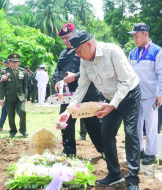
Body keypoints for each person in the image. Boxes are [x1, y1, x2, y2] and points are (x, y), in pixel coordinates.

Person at [58, 30, 141, 190]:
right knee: (106, 132)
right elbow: (82, 87)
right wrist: (68, 110)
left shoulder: (112, 51)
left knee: (130, 133)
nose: (78, 56)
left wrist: (113, 105)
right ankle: (115, 174)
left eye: (79, 52)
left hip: (129, 95)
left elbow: (125, 82)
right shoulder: (85, 61)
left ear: (89, 44)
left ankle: (132, 179)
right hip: (110, 98)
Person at [54, 23, 103, 155]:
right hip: (67, 95)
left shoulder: (86, 48)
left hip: (87, 93)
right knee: (66, 123)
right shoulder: (63, 53)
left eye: (67, 37)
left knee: (93, 124)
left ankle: (104, 150)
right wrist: (57, 81)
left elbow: (93, 69)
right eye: (63, 39)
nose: (65, 41)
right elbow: (57, 70)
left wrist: (75, 76)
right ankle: (69, 152)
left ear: (75, 34)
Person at [127, 23, 162, 165]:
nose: (135, 39)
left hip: (151, 96)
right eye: (133, 37)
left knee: (150, 125)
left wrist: (160, 93)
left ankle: (151, 153)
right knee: (136, 125)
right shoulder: (132, 53)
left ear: (145, 34)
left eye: (137, 36)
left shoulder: (157, 51)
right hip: (135, 95)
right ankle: (139, 150)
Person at [0, 53, 28, 138]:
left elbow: (26, 86)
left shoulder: (23, 72)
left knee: (22, 112)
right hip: (9, 97)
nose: (14, 63)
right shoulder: (5, 72)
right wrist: (1, 98)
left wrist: (26, 97)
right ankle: (13, 131)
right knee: (11, 115)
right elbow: (2, 86)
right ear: (9, 62)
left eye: (16, 62)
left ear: (18, 62)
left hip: (20, 96)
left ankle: (23, 130)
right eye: (12, 62)